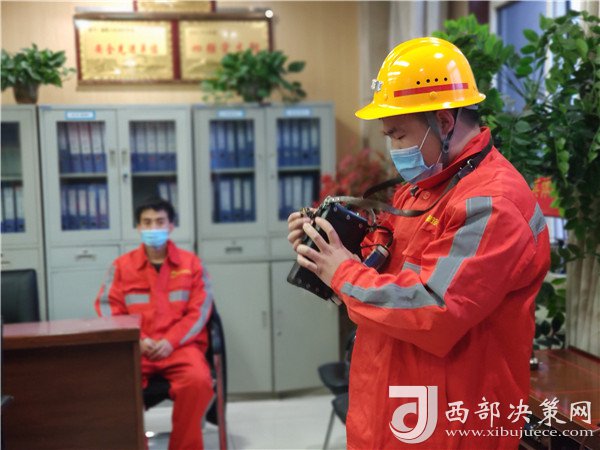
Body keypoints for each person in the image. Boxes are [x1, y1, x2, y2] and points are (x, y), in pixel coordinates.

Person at [288, 37, 550, 449]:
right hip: (392, 408)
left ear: (443, 122)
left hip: (450, 426)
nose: (393, 148)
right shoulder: (422, 188)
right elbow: (385, 272)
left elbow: (433, 308)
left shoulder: (493, 204)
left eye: (398, 134)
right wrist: (327, 248)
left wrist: (342, 271)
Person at [95, 197, 214, 450]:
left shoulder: (192, 264)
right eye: (147, 222)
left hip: (180, 347)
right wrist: (137, 339)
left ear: (171, 225)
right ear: (138, 227)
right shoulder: (121, 266)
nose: (153, 228)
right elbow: (108, 308)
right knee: (114, 385)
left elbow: (200, 311)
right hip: (136, 348)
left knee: (198, 382)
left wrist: (170, 341)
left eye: (160, 222)